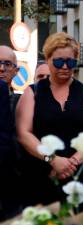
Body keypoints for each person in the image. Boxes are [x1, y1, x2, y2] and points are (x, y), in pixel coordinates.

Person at [16, 32, 83, 206]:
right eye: (58, 61)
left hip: (80, 178)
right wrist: (53, 160)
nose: (65, 66)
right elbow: (23, 133)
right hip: (40, 177)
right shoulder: (32, 92)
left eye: (70, 62)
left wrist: (72, 163)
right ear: (48, 59)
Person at [0, 45, 23, 221]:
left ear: (16, 70)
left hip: (16, 187)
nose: (1, 68)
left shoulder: (25, 103)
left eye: (7, 64)